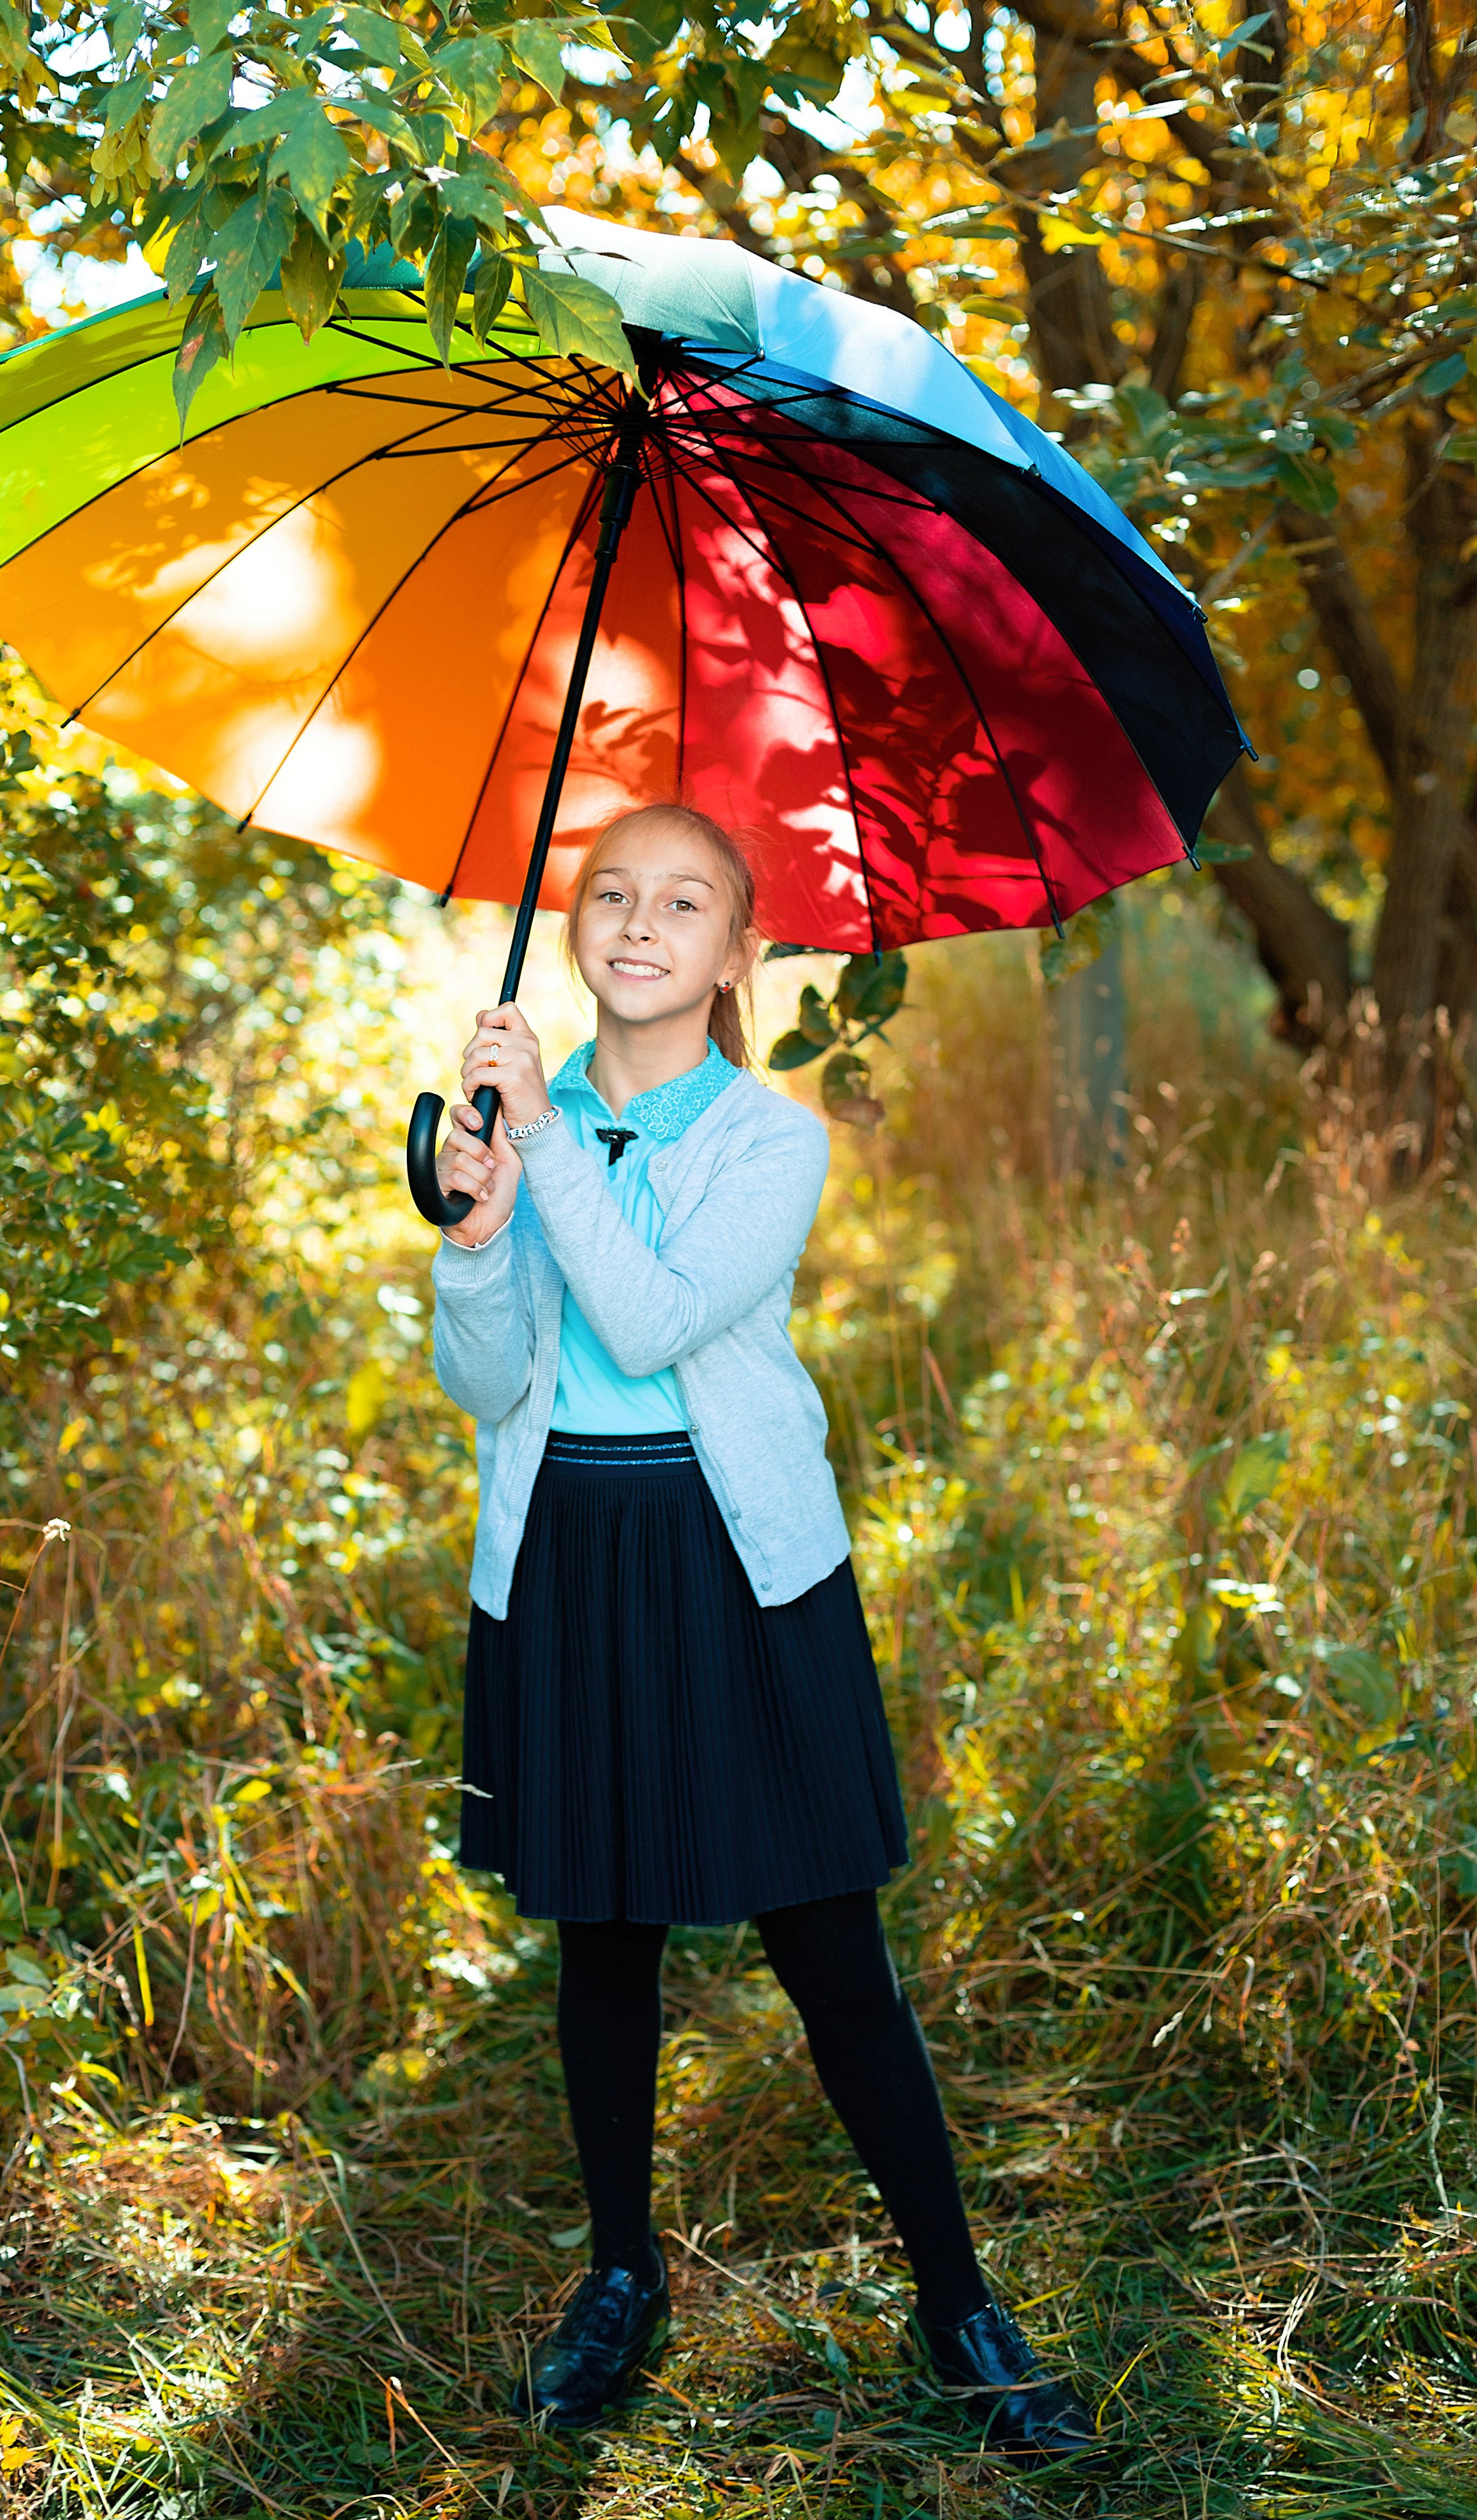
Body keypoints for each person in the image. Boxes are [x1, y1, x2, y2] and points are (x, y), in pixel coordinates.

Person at [428, 802, 1099, 2462]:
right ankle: (620, 2275)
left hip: (730, 1559)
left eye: (684, 903)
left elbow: (654, 1321)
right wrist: (476, 1226)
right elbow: (493, 1381)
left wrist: (551, 1155)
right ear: (571, 928)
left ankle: (953, 2295)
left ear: (738, 952)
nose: (636, 923)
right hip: (569, 1551)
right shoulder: (525, 1120)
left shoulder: (766, 1137)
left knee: (827, 1947)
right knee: (602, 1940)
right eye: (608, 895)